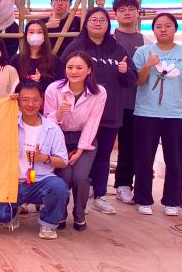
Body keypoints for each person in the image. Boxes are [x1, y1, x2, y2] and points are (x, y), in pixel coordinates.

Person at [61, 7, 135, 214]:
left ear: (108, 24)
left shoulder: (118, 49)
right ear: (86, 23)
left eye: (102, 20)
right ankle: (74, 197)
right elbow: (63, 74)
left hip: (110, 114)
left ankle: (100, 196)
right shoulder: (75, 47)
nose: (98, 23)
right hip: (80, 116)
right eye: (93, 19)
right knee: (77, 156)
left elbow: (131, 81)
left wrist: (125, 72)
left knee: (103, 156)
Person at [0, 80, 69, 240]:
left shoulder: (52, 129)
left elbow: (63, 161)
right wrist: (7, 103)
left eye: (35, 100)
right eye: (25, 99)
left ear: (41, 101)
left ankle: (48, 224)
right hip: (12, 184)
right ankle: (12, 212)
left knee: (59, 188)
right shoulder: (9, 123)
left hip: (40, 182)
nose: (30, 104)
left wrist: (44, 158)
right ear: (18, 101)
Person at [132, 13, 182, 216]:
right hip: (146, 113)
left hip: (176, 114)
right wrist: (147, 65)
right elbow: (138, 81)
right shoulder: (143, 51)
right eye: (158, 26)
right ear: (153, 30)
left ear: (175, 29)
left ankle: (172, 201)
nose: (163, 29)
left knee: (175, 159)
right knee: (144, 158)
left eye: (168, 25)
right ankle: (143, 199)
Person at [42, 51, 106, 231]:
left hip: (84, 139)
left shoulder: (99, 92)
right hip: (58, 138)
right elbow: (47, 122)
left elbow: (92, 123)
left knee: (80, 177)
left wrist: (80, 150)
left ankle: (79, 215)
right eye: (70, 67)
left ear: (89, 70)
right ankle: (59, 215)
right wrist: (60, 112)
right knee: (64, 176)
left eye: (79, 67)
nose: (74, 71)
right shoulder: (53, 89)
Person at [110, 0, 145, 205]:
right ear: (115, 14)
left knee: (130, 145)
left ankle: (123, 184)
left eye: (131, 8)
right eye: (122, 9)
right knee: (100, 144)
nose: (127, 13)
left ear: (137, 13)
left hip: (134, 102)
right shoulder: (109, 39)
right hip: (109, 102)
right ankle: (92, 183)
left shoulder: (145, 41)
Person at [10, 20, 63, 95]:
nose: (35, 35)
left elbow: (60, 86)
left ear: (45, 35)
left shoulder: (55, 61)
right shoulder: (15, 60)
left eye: (39, 32)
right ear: (26, 35)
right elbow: (12, 86)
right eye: (31, 32)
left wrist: (41, 80)